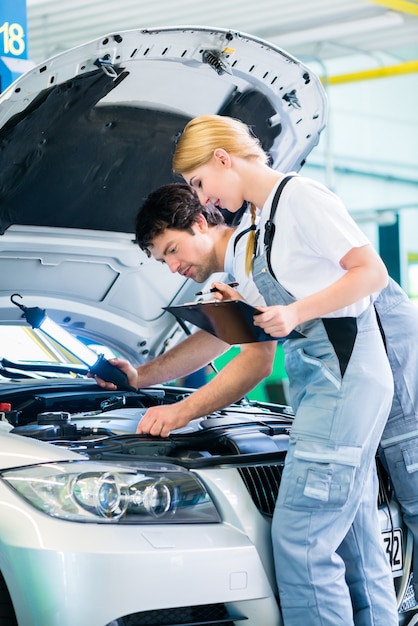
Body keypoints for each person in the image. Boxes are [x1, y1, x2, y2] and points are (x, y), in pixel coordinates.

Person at [171, 114, 398, 625]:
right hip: (320, 385)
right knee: (356, 539)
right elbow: (261, 321)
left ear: (223, 159)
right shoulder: (256, 224)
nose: (203, 198)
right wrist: (239, 305)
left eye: (200, 183)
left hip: (345, 381)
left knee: (301, 537)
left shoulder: (301, 198)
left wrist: (295, 312)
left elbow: (371, 272)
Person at [95, 182, 277, 437]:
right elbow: (220, 336)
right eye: (163, 260)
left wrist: (181, 411)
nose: (172, 267)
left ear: (200, 223)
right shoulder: (240, 262)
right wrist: (138, 375)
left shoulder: (251, 259)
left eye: (172, 250)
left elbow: (259, 359)